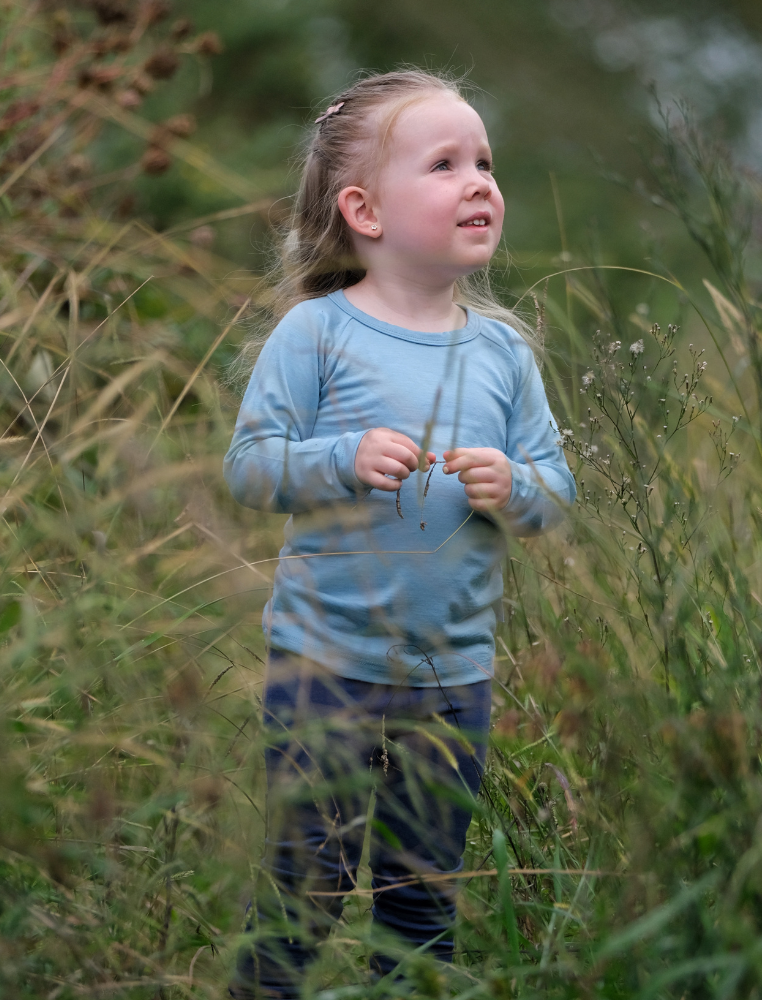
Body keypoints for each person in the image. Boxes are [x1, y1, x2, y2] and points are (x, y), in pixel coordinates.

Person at [223, 69, 576, 999]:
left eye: (486, 163)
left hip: (451, 676)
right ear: (364, 210)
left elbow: (557, 492)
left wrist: (514, 487)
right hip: (323, 666)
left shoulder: (502, 351)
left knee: (422, 899)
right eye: (445, 163)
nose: (480, 182)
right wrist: (337, 459)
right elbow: (251, 466)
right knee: (308, 885)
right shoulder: (317, 334)